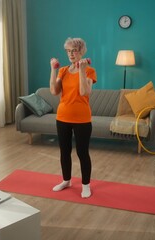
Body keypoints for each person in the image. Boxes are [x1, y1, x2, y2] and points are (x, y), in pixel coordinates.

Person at [49, 37, 97, 198]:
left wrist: (82, 70)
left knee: (82, 153)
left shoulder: (89, 70)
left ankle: (85, 185)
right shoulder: (62, 71)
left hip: (82, 119)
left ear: (81, 52)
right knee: (64, 151)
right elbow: (54, 91)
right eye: (68, 51)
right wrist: (53, 69)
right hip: (62, 117)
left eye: (74, 50)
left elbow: (84, 92)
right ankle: (66, 180)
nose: (70, 54)